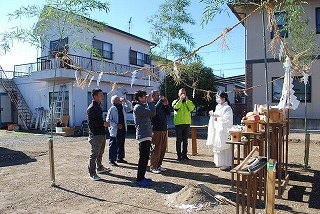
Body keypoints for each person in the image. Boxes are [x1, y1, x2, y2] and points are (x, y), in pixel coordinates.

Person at [132, 90, 156, 187]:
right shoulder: (138, 107)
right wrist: (150, 102)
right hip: (143, 136)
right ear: (139, 98)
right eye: (144, 97)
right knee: (143, 158)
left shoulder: (141, 106)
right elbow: (152, 113)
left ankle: (141, 177)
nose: (146, 98)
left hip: (146, 135)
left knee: (145, 158)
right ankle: (140, 179)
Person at [87, 88, 110, 181]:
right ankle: (92, 173)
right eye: (100, 95)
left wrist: (103, 124)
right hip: (95, 134)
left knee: (100, 152)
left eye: (102, 94)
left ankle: (99, 167)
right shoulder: (92, 108)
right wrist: (103, 123)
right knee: (94, 153)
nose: (102, 97)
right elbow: (91, 123)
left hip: (101, 133)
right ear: (95, 96)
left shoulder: (99, 107)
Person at [206, 91, 233, 171]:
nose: (217, 99)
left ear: (224, 99)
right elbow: (216, 117)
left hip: (224, 130)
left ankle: (227, 164)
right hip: (217, 129)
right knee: (218, 146)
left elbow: (226, 119)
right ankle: (219, 163)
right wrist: (213, 116)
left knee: (225, 147)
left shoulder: (227, 108)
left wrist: (216, 117)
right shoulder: (218, 107)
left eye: (219, 97)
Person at [106, 95, 133, 166]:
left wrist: (126, 101)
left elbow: (130, 108)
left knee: (121, 143)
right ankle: (112, 160)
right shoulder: (112, 109)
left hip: (123, 129)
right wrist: (116, 125)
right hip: (115, 129)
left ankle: (120, 158)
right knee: (113, 144)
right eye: (118, 99)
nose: (120, 100)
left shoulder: (123, 107)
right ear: (114, 101)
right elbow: (108, 120)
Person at [149, 90, 171, 173]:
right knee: (156, 149)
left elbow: (168, 113)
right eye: (157, 95)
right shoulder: (151, 104)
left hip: (164, 128)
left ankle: (159, 165)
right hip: (156, 129)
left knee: (162, 149)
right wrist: (160, 102)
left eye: (159, 95)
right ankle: (153, 166)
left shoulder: (161, 104)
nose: (159, 97)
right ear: (153, 96)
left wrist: (166, 105)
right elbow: (155, 112)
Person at [172, 88, 195, 161]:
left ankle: (184, 155)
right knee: (179, 140)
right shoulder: (175, 101)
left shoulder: (189, 101)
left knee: (185, 140)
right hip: (178, 124)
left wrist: (187, 101)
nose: (183, 94)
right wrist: (180, 100)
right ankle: (179, 155)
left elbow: (192, 109)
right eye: (181, 93)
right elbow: (176, 107)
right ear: (178, 94)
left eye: (184, 93)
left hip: (187, 123)